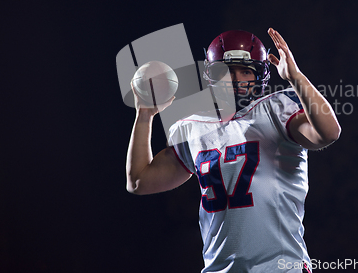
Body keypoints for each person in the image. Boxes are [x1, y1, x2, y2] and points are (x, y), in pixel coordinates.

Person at [126, 28, 341, 273]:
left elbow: (329, 133)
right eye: (225, 71)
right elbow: (139, 181)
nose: (235, 79)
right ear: (211, 76)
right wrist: (144, 115)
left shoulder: (277, 110)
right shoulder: (192, 128)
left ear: (260, 75)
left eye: (245, 71)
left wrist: (296, 78)